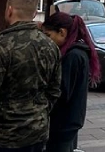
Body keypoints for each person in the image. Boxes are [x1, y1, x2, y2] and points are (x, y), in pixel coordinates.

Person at [0, 0, 61, 152]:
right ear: (33, 14)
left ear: (9, 10)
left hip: (1, 137)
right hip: (36, 133)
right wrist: (39, 114)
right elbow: (54, 90)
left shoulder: (0, 46)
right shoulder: (51, 46)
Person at [42, 12, 101, 152]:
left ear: (62, 32)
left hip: (63, 122)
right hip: (69, 120)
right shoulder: (76, 52)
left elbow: (62, 92)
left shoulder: (73, 56)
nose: (46, 40)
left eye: (48, 35)